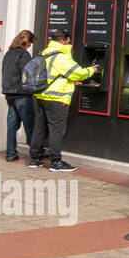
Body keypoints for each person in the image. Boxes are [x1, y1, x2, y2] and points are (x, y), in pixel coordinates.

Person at [29, 30, 98, 173]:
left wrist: (72, 80)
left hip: (41, 96)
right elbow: (77, 72)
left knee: (39, 128)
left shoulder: (45, 52)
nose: (69, 44)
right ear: (64, 41)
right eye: (68, 41)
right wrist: (91, 70)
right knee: (56, 130)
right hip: (57, 99)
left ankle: (35, 159)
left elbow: (57, 74)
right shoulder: (60, 56)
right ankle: (56, 162)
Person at [1, 30, 35, 163]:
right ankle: (35, 154)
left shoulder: (8, 54)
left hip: (9, 94)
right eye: (30, 43)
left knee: (12, 124)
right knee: (30, 124)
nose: (30, 46)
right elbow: (27, 74)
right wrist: (33, 88)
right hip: (21, 94)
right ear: (25, 41)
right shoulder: (23, 54)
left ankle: (10, 153)